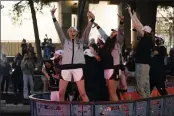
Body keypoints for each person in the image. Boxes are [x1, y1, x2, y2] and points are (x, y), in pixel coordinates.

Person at [51, 6, 94, 102]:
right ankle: (63, 112)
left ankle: (88, 112)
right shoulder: (65, 42)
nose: (72, 32)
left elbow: (87, 31)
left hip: (78, 68)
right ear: (68, 33)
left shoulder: (81, 42)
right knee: (61, 93)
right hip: (65, 68)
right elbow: (59, 30)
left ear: (77, 33)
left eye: (74, 31)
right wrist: (53, 16)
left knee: (82, 93)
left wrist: (92, 20)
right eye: (70, 31)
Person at [93, 15, 125, 101]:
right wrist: (97, 25)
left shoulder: (118, 42)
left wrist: (121, 22)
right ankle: (112, 110)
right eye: (112, 31)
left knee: (113, 92)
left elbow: (121, 32)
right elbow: (102, 33)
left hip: (113, 68)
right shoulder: (108, 41)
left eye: (114, 32)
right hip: (106, 68)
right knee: (110, 92)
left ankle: (118, 111)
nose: (112, 32)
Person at [127, 5, 154, 98]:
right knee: (146, 85)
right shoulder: (148, 38)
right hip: (146, 65)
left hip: (142, 64)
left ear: (145, 32)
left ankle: (144, 103)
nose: (139, 30)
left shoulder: (145, 37)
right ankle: (148, 103)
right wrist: (133, 14)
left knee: (140, 86)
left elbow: (138, 25)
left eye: (142, 30)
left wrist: (130, 14)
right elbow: (139, 24)